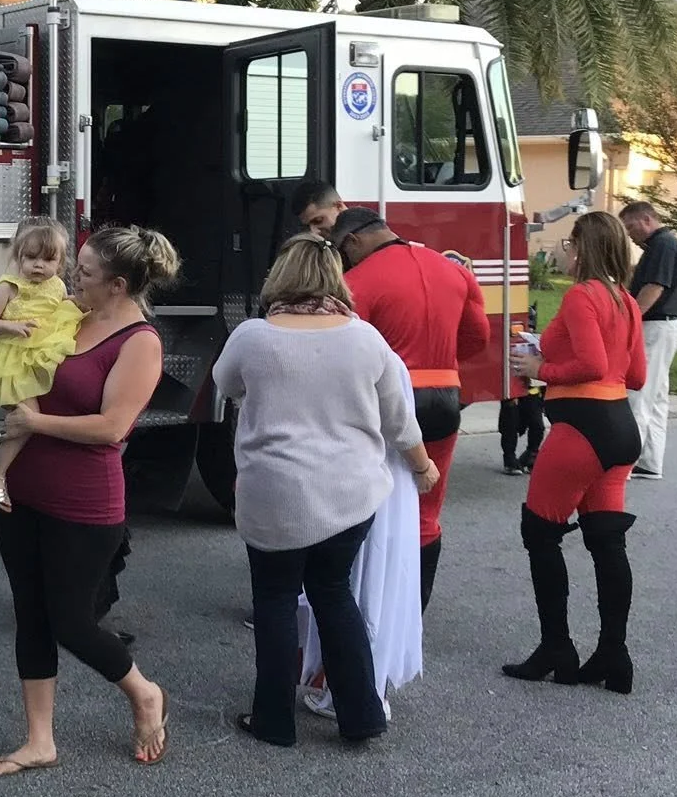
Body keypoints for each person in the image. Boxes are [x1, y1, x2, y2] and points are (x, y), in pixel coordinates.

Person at [213, 234, 435, 747]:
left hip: (273, 494)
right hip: (349, 496)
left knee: (274, 600)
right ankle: (362, 715)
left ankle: (273, 720)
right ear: (336, 279)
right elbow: (399, 421)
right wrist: (423, 469)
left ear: (280, 277)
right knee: (334, 595)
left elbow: (226, 384)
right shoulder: (366, 339)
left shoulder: (252, 336)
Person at [0, 224, 175, 777]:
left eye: (85, 272)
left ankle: (143, 692)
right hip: (23, 492)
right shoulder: (72, 315)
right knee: (30, 615)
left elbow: (113, 427)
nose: (73, 277)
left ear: (117, 285)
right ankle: (39, 740)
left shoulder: (139, 342)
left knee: (71, 621)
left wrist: (35, 423)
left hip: (85, 503)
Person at [502, 209, 647, 695]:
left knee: (539, 532)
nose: (564, 251)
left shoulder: (583, 295)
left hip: (582, 428)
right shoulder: (626, 300)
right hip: (620, 427)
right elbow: (636, 375)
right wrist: (556, 357)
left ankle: (556, 648)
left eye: (569, 243)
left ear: (583, 249)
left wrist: (541, 368)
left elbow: (590, 362)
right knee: (607, 542)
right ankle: (613, 654)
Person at [331, 206, 491, 611]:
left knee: (371, 505)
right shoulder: (454, 271)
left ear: (353, 241)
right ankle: (413, 611)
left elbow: (345, 349)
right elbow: (478, 337)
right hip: (445, 396)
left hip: (388, 402)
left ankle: (370, 608)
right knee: (427, 510)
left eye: (342, 251)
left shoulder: (356, 281)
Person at [299, 345, 425, 719]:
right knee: (372, 585)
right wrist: (423, 467)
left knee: (351, 587)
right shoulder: (380, 355)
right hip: (383, 480)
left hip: (350, 480)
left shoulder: (332, 352)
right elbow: (402, 425)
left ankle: (350, 691)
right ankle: (363, 688)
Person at [0, 216, 83, 510]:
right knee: (29, 419)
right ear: (18, 257)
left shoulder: (57, 286)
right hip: (12, 363)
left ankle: (19, 471)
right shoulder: (9, 287)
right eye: (31, 258)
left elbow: (60, 312)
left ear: (60, 263)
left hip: (39, 358)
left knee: (32, 419)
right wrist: (11, 326)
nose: (38, 266)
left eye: (48, 259)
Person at [620, 201, 677, 479]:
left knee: (639, 394)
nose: (629, 234)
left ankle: (625, 463)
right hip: (665, 325)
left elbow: (654, 287)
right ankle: (649, 461)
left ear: (647, 219)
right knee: (657, 396)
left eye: (631, 226)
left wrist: (629, 319)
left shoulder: (662, 245)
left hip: (654, 326)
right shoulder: (662, 245)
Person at [499, 303, 547, 475]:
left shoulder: (538, 343)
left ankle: (531, 454)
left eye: (531, 325)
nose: (529, 329)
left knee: (538, 426)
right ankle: (509, 459)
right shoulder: (507, 343)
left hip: (532, 391)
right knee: (510, 425)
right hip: (512, 391)